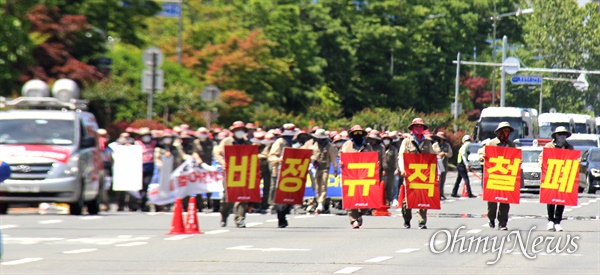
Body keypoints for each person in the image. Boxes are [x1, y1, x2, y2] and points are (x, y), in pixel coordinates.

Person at [397, 118, 436, 229]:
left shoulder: (428, 143)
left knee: (422, 197)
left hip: (423, 174)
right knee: (407, 198)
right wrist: (402, 169)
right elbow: (401, 156)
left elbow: (432, 158)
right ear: (412, 128)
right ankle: (407, 219)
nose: (419, 128)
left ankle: (422, 221)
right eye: (416, 126)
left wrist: (434, 173)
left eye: (421, 126)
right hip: (410, 174)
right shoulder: (406, 141)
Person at [213, 121, 252, 228]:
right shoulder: (226, 142)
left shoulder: (248, 143)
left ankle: (240, 219)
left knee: (242, 196)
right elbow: (217, 152)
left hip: (243, 172)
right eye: (237, 130)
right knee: (227, 197)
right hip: (230, 171)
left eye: (241, 130)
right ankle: (224, 216)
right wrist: (222, 161)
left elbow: (252, 157)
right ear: (233, 131)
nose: (239, 132)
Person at [479, 121, 516, 231]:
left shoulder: (511, 145)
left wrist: (518, 162)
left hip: (506, 177)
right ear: (499, 132)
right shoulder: (491, 143)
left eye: (508, 131)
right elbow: (481, 153)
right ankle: (491, 218)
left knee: (505, 202)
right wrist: (482, 156)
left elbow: (515, 158)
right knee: (492, 202)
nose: (506, 133)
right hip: (493, 176)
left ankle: (502, 223)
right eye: (504, 131)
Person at [539, 126, 574, 232]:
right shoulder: (549, 146)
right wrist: (542, 164)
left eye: (564, 135)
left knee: (561, 199)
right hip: (551, 175)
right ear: (555, 136)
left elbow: (574, 159)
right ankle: (550, 220)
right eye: (559, 134)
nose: (562, 137)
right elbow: (541, 157)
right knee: (550, 198)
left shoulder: (569, 147)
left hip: (564, 176)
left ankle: (558, 221)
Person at [339, 125, 374, 229]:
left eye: (360, 133)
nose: (358, 135)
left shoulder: (367, 146)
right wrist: (341, 162)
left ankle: (359, 215)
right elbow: (342, 157)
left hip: (364, 176)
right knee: (351, 198)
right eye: (355, 133)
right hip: (351, 175)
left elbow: (372, 159)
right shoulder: (347, 145)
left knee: (366, 200)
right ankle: (353, 220)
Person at [268, 123, 298, 228]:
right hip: (278, 172)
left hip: (288, 173)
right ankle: (281, 219)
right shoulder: (279, 142)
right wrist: (279, 160)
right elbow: (271, 156)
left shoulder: (291, 143)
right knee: (280, 198)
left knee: (288, 197)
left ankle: (283, 215)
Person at [308, 129, 339, 214]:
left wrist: (335, 169)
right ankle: (318, 202)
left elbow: (333, 158)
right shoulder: (314, 145)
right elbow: (309, 154)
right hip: (316, 168)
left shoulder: (329, 146)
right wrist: (312, 159)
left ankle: (321, 203)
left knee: (323, 186)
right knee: (317, 186)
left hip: (325, 168)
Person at [432, 132, 453, 200]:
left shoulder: (447, 145)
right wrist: (437, 155)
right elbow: (431, 153)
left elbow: (450, 154)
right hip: (435, 164)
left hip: (443, 164)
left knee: (443, 179)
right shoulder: (435, 145)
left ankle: (441, 193)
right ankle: (436, 193)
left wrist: (444, 154)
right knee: (436, 179)